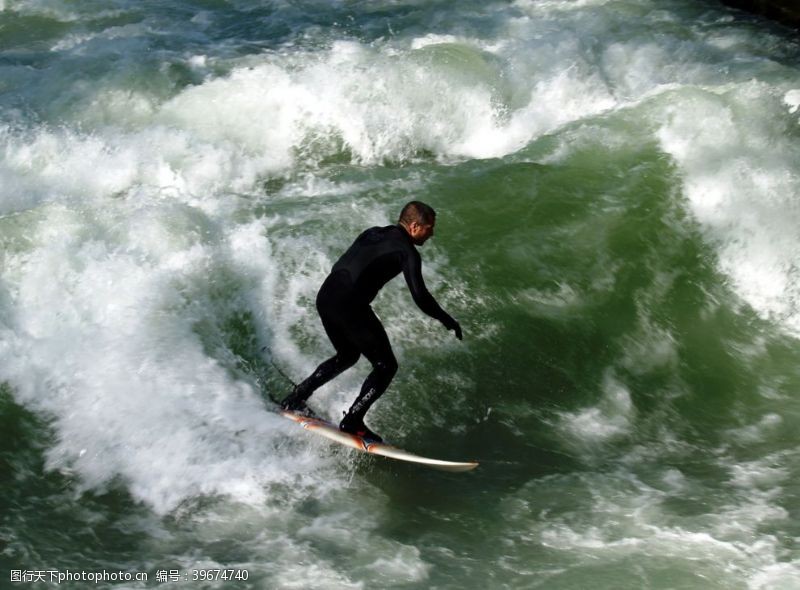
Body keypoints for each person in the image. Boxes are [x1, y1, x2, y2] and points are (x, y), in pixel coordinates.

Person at [280, 201, 462, 442]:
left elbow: (341, 265)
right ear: (415, 226)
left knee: (347, 355)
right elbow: (420, 296)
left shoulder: (372, 232)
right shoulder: (406, 251)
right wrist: (447, 319)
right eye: (429, 228)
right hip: (349, 305)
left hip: (326, 296)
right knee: (386, 366)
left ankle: (296, 398)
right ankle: (353, 421)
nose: (432, 234)